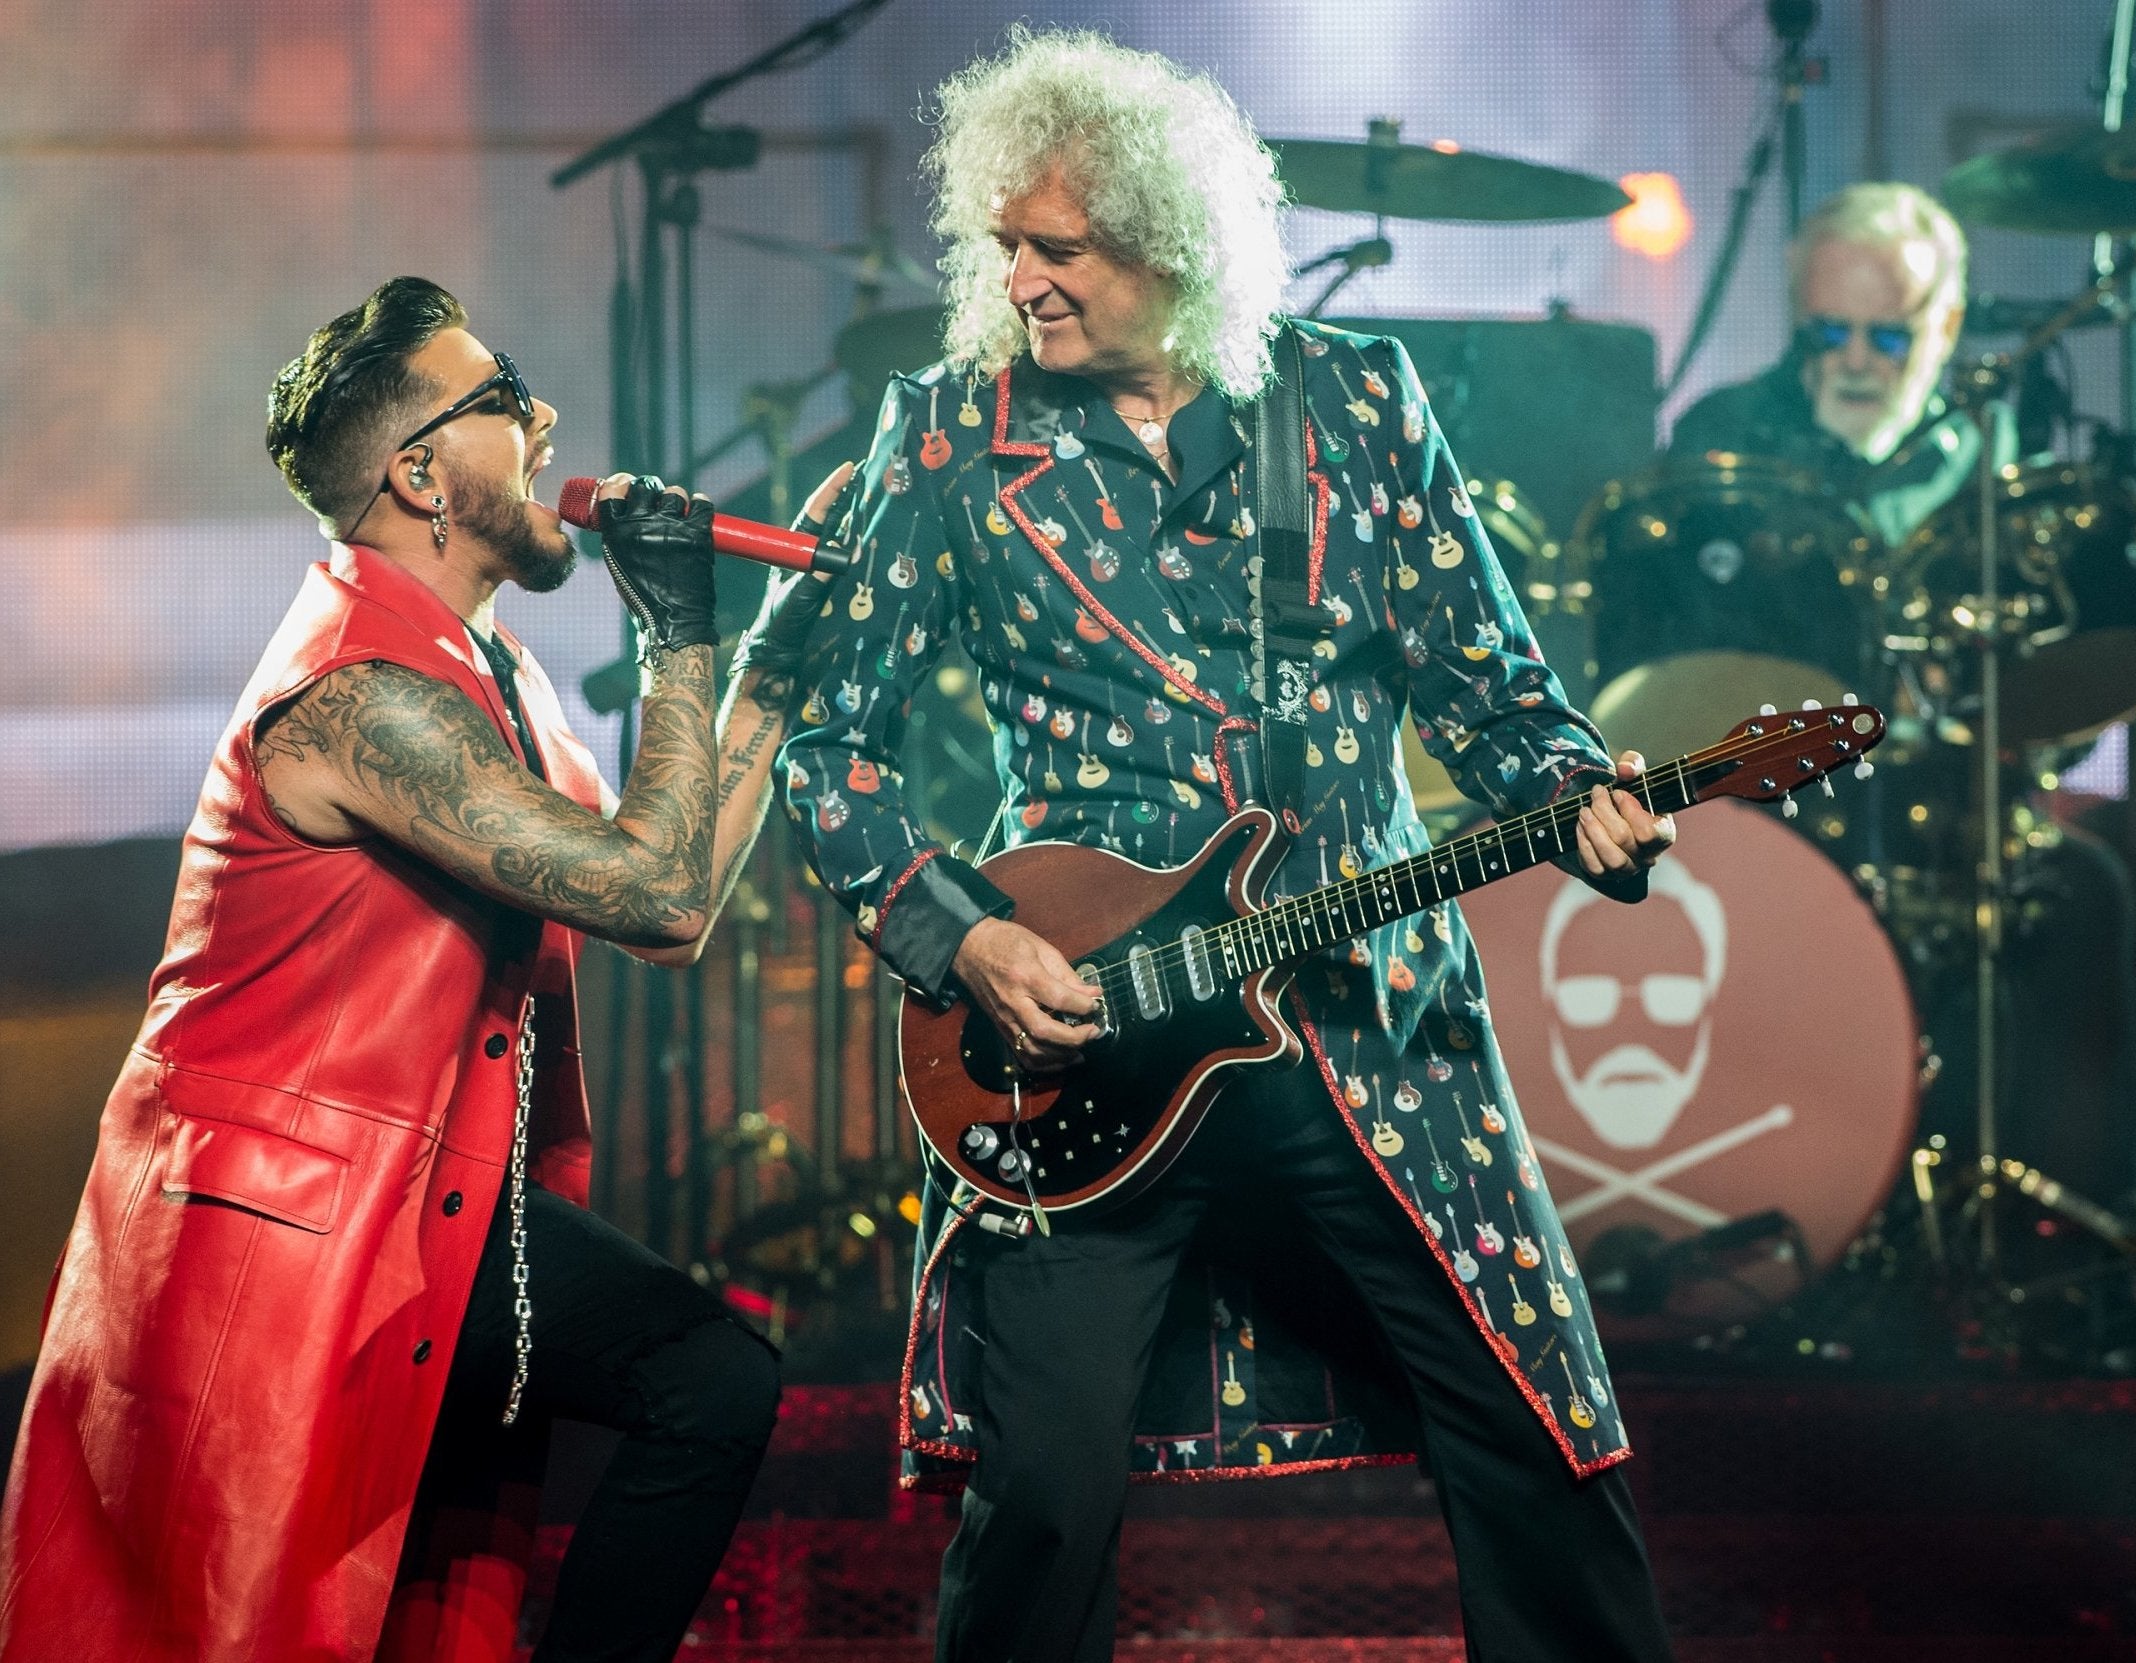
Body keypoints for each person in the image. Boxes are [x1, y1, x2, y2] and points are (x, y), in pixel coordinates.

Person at [781, 29, 1679, 1663]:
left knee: (1537, 1437)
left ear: (1175, 245)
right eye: (1006, 244)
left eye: (1063, 247)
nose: (1023, 281)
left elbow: (1493, 693)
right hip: (1077, 1029)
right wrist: (960, 933)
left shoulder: (1347, 397)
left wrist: (1580, 801)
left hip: (1363, 1022)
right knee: (1040, 1491)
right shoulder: (941, 437)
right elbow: (829, 755)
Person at [0, 276, 837, 1663]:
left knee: (654, 1423)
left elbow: (666, 896)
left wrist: (774, 657)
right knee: (703, 1381)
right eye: (504, 393)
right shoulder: (360, 696)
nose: (545, 415)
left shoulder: (485, 669)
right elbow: (656, 880)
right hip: (275, 1238)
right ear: (419, 468)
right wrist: (678, 628)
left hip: (408, 1201)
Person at [1669, 181, 1991, 545]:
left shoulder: (1985, 450)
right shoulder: (1719, 433)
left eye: (1889, 337)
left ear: (1948, 329)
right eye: (1830, 332)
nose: (1855, 361)